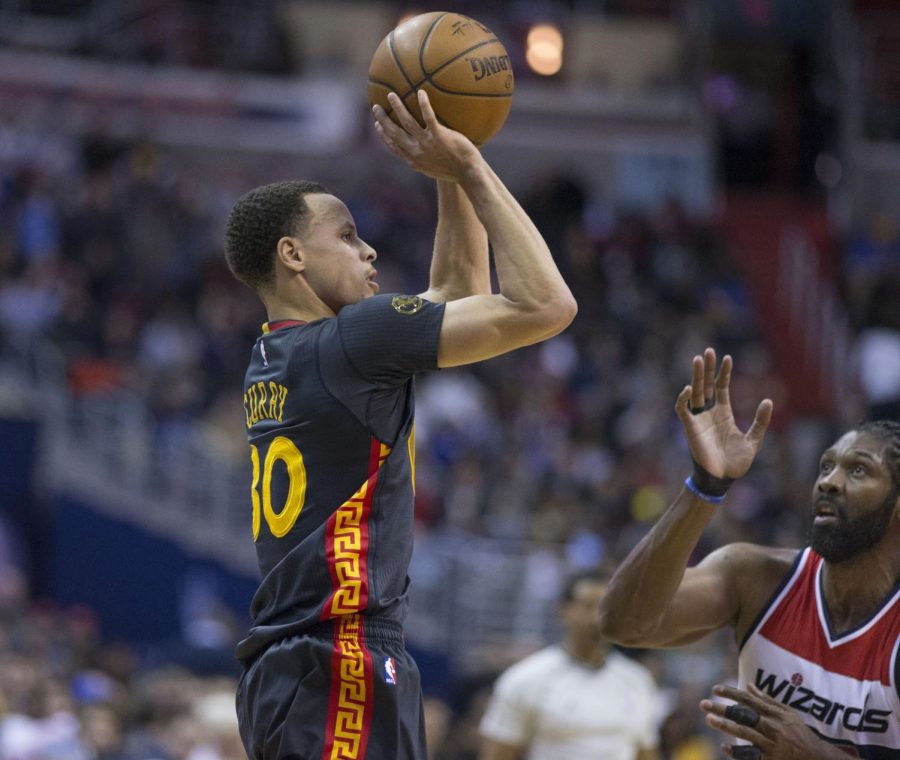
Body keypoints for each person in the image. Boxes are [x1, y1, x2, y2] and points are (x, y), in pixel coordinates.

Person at [223, 89, 577, 760]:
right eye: (348, 235)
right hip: (337, 656)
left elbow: (457, 298)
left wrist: (443, 172)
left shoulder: (278, 355)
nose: (370, 250)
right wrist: (469, 164)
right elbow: (548, 305)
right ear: (294, 255)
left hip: (312, 658)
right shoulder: (352, 341)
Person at [597, 347, 900, 760]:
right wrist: (706, 487)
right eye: (826, 466)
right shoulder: (755, 575)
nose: (829, 482)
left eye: (859, 470)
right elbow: (622, 623)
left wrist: (813, 754)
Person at [478, 570, 660, 760]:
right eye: (588, 606)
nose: (598, 617)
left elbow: (646, 753)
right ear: (563, 610)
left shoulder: (637, 680)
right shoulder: (524, 679)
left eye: (607, 607)